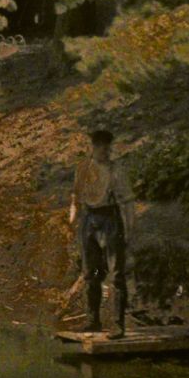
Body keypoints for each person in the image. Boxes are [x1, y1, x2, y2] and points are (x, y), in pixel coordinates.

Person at [69, 127, 133, 335]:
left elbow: (128, 201)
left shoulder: (116, 170)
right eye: (101, 148)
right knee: (91, 272)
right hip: (89, 219)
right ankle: (93, 320)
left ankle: (117, 324)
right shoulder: (83, 169)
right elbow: (75, 198)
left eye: (108, 148)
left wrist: (129, 229)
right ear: (94, 147)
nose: (105, 152)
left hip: (110, 219)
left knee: (116, 273)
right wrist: (72, 220)